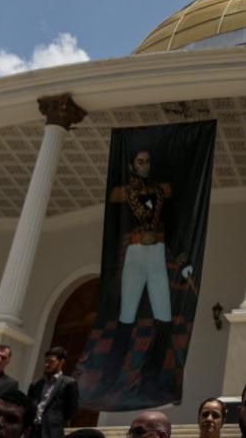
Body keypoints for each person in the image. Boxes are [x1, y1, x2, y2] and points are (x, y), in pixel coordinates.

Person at [104, 149, 191, 392]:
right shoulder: (122, 194)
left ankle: (149, 374)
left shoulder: (162, 192)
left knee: (164, 316)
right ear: (132, 165)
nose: (144, 165)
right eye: (140, 162)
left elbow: (172, 227)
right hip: (134, 253)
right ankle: (111, 374)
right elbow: (114, 229)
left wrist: (184, 260)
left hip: (157, 254)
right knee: (127, 317)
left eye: (148, 161)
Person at [27, 347, 78, 438]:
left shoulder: (69, 383)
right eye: (46, 361)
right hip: (33, 431)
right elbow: (29, 405)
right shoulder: (36, 384)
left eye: (51, 361)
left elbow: (71, 410)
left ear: (61, 362)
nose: (47, 364)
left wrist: (55, 423)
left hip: (52, 432)